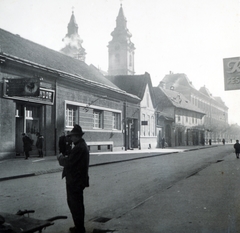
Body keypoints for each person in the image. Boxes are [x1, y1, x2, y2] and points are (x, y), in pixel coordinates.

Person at [57, 125, 89, 233]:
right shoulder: (80, 145)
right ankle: (79, 227)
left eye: (72, 136)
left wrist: (60, 158)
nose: (70, 138)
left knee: (75, 204)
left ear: (77, 136)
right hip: (77, 180)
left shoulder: (79, 147)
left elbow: (69, 162)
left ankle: (79, 228)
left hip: (75, 180)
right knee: (78, 204)